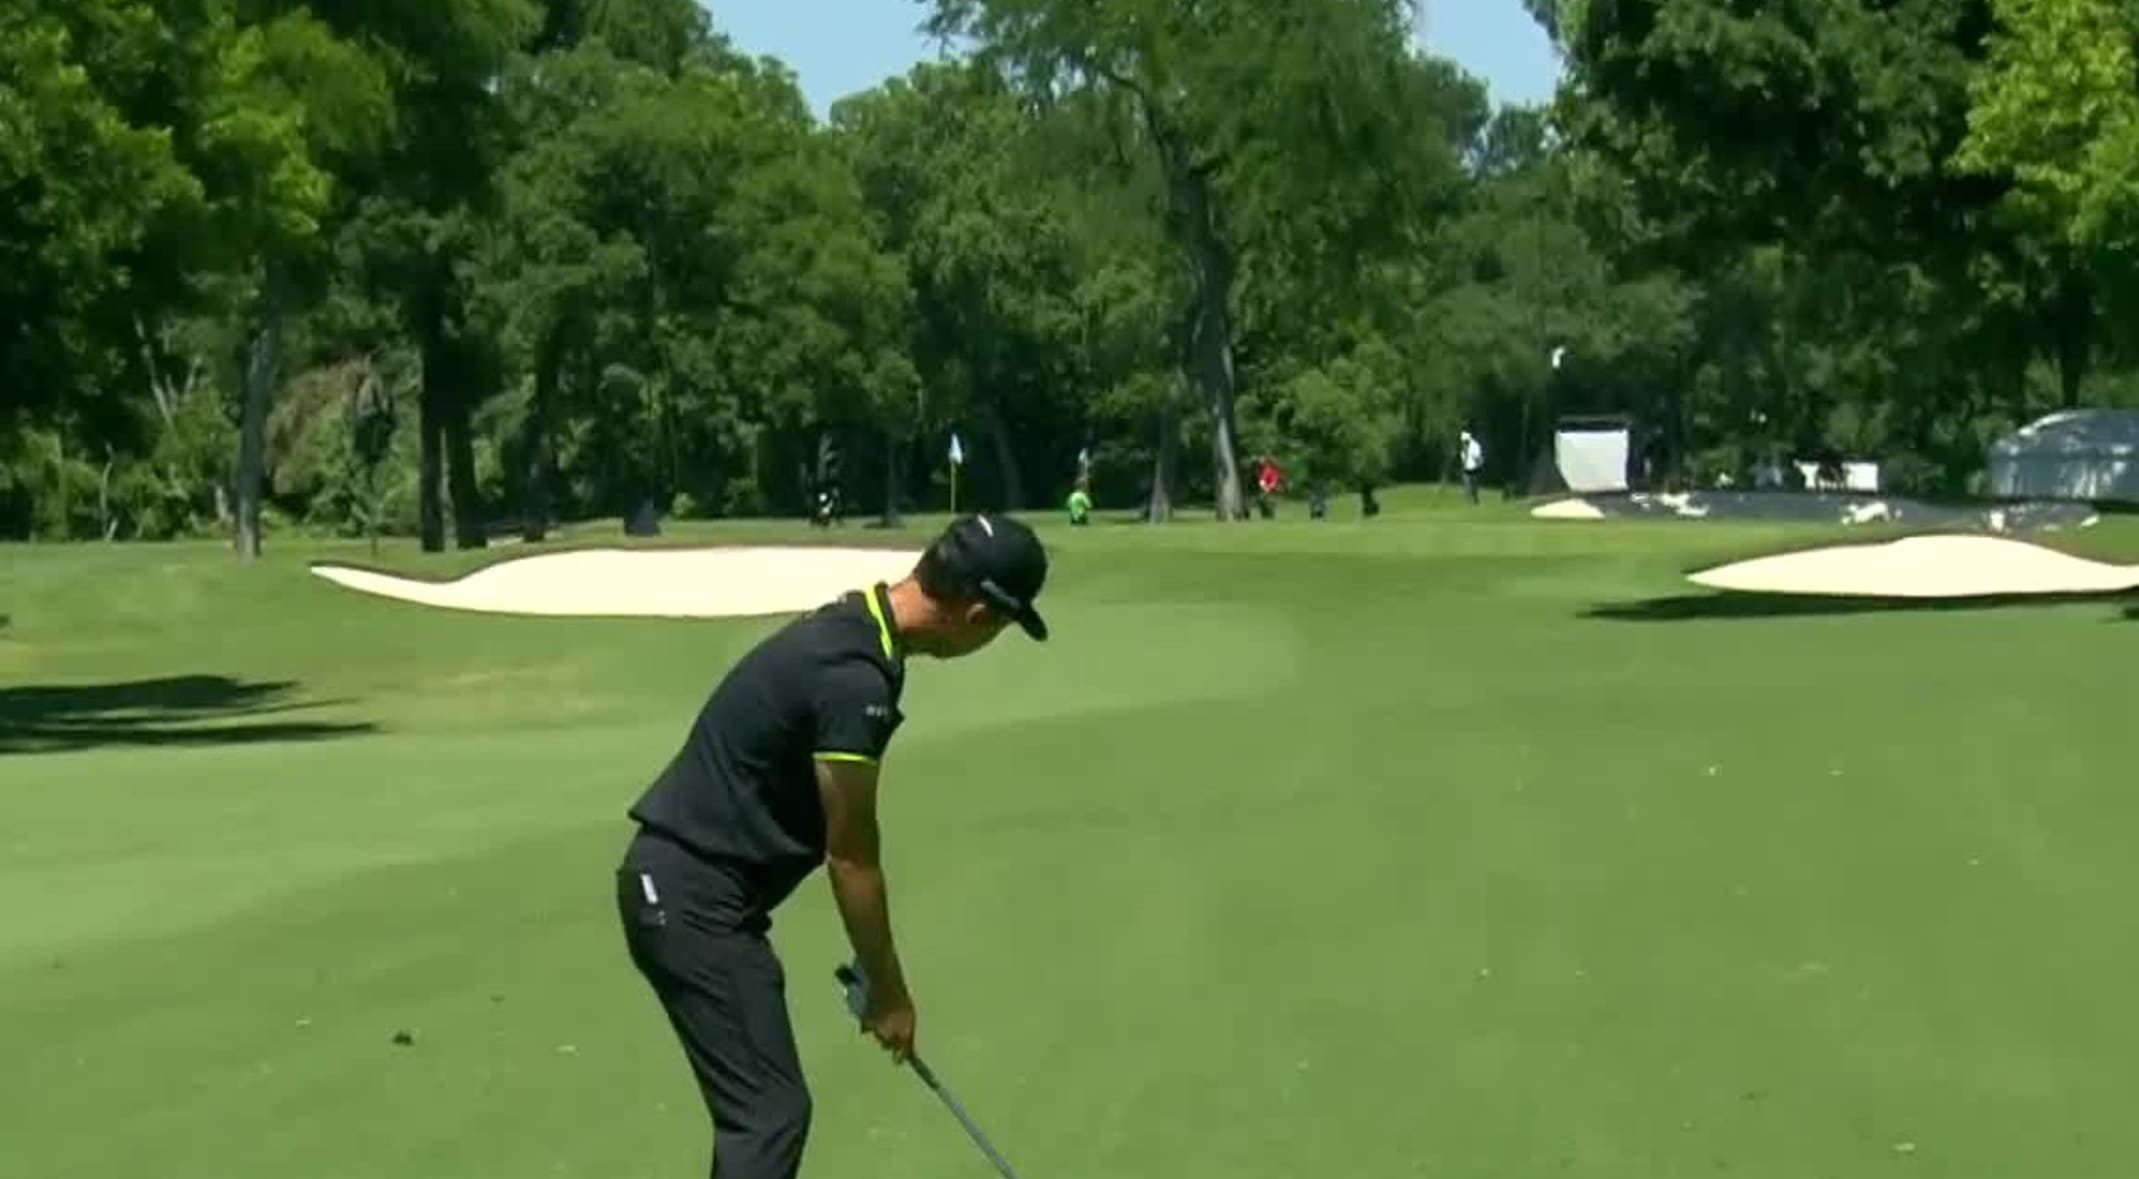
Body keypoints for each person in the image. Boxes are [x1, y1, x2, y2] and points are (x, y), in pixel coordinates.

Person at [614, 513, 1052, 1179]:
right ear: (976, 615)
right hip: (691, 900)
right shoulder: (855, 679)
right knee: (768, 1115)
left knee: (766, 1112)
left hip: (690, 892)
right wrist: (890, 993)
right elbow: (850, 856)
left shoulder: (856, 623)